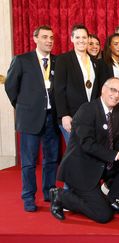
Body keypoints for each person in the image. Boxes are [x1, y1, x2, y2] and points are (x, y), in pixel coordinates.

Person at [49, 78, 119, 223]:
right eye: (113, 90)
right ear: (103, 89)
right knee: (103, 215)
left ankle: (113, 199)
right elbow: (87, 144)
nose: (116, 95)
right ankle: (61, 196)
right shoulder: (87, 110)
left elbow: (118, 142)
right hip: (82, 170)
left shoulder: (116, 116)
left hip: (100, 165)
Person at [5, 25, 60, 212]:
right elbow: (11, 87)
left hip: (52, 117)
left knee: (51, 159)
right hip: (29, 118)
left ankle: (49, 192)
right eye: (45, 37)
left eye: (51, 37)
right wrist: (23, 107)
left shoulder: (58, 61)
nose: (49, 41)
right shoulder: (22, 60)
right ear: (35, 38)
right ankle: (28, 197)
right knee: (28, 162)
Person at [54, 24, 99, 144]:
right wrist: (64, 115)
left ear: (89, 39)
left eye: (84, 37)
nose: (81, 41)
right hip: (71, 116)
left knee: (89, 153)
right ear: (72, 39)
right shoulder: (63, 60)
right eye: (77, 37)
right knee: (75, 154)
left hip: (91, 117)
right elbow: (59, 90)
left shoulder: (95, 62)